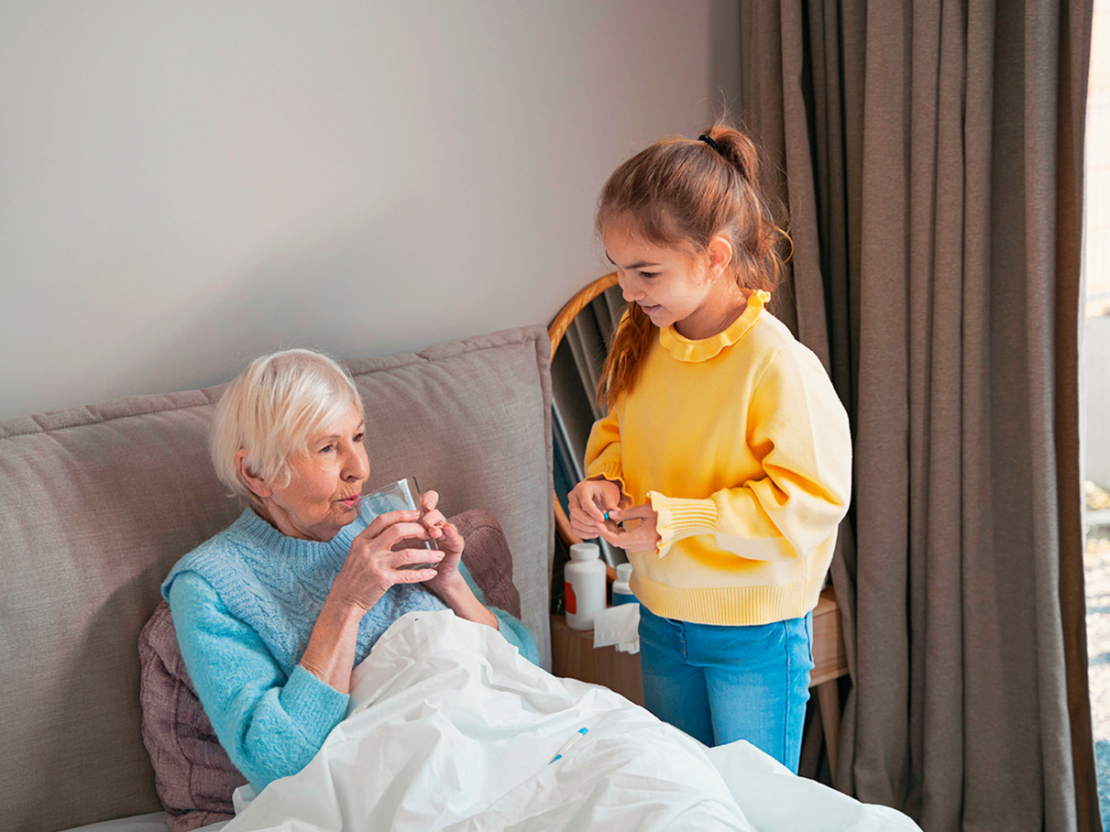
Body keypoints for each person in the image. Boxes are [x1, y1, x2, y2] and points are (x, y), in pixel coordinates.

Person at [567, 124, 852, 772]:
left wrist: (683, 518)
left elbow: (808, 503)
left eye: (645, 271)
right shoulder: (648, 338)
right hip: (661, 614)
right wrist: (603, 483)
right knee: (687, 797)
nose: (628, 289)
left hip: (755, 633)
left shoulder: (776, 365)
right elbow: (618, 431)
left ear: (715, 256)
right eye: (616, 268)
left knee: (755, 809)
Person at [163, 348, 536, 792]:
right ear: (256, 473)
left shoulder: (387, 520)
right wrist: (346, 603)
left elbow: (528, 667)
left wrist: (450, 584)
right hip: (409, 784)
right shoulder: (210, 586)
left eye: (358, 437)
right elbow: (273, 764)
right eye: (327, 447)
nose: (360, 469)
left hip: (513, 740)